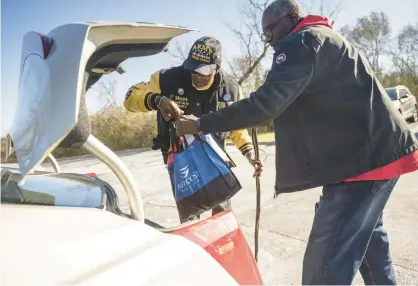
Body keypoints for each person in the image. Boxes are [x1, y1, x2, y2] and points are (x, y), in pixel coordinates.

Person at [175, 0, 418, 284]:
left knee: (323, 266)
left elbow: (267, 104)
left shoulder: (300, 42)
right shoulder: (324, 38)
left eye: (271, 30)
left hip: (361, 164)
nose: (269, 39)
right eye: (264, 33)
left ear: (292, 17)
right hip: (381, 153)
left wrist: (201, 123)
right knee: (370, 245)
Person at [124, 36, 263, 223]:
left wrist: (250, 154)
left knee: (222, 215)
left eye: (204, 72)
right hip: (181, 160)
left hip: (216, 159)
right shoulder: (166, 79)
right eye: (193, 70)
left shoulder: (231, 88)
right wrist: (158, 100)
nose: (197, 76)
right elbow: (129, 98)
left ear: (217, 68)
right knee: (190, 217)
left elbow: (237, 128)